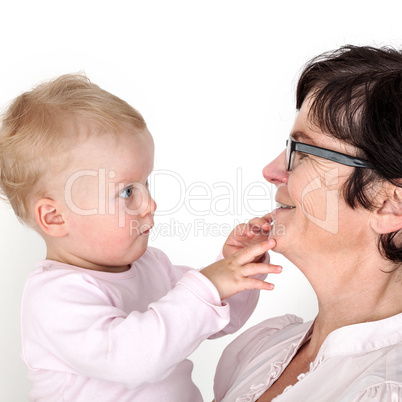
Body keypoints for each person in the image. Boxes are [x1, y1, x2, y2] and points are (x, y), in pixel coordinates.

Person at [0, 74, 283, 401]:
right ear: (55, 217)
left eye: (146, 184)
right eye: (127, 191)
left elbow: (210, 319)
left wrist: (236, 267)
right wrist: (208, 286)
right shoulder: (56, 296)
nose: (150, 204)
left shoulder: (151, 265)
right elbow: (132, 360)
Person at [213, 45, 402, 401]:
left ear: (390, 205)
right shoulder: (260, 348)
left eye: (304, 151)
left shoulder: (386, 390)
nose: (271, 171)